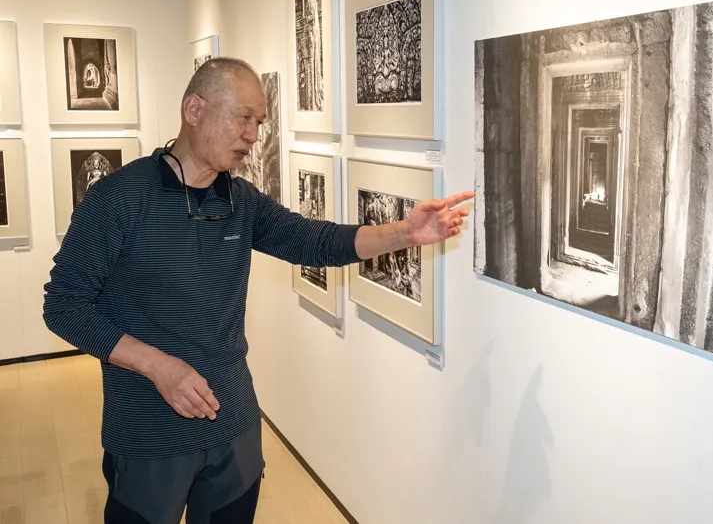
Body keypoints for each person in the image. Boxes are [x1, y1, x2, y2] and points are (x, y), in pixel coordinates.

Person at [42, 57, 474, 524]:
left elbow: (315, 241)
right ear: (194, 109)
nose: (253, 135)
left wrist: (404, 233)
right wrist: (158, 366)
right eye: (242, 117)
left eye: (259, 122)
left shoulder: (241, 200)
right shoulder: (118, 199)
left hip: (235, 425)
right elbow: (63, 306)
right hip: (150, 434)